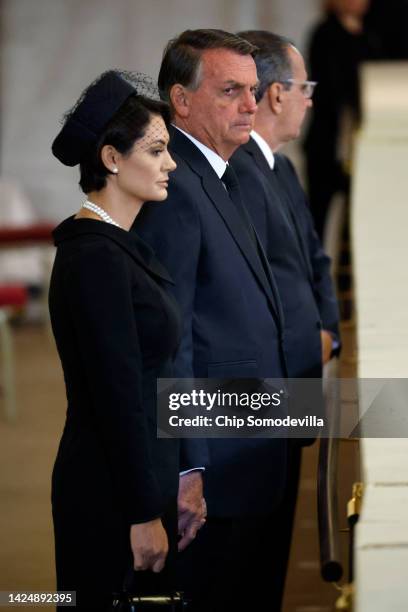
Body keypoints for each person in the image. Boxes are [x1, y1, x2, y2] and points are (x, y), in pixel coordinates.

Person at [134, 29, 288, 612]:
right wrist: (190, 466)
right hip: (216, 462)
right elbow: (172, 342)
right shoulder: (174, 188)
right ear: (180, 99)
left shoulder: (222, 171)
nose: (252, 104)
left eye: (253, 90)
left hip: (251, 446)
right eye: (231, 91)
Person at [49, 70, 181, 610]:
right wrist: (141, 513)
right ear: (111, 159)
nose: (170, 163)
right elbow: (116, 396)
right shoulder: (95, 259)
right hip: (109, 492)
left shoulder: (118, 247)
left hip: (133, 477)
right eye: (156, 150)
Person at [231, 30, 341, 608]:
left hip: (293, 375)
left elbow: (313, 264)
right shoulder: (243, 173)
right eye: (306, 87)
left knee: (273, 529)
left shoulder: (281, 169)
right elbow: (262, 291)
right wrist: (314, 342)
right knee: (257, 547)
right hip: (263, 390)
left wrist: (330, 335)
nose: (311, 99)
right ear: (277, 94)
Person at [303, 0, 380, 237]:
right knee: (319, 214)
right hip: (328, 140)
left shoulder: (371, 34)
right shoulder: (324, 32)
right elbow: (329, 85)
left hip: (363, 139)